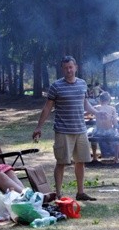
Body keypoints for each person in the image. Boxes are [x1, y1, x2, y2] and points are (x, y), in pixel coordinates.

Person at [32, 56, 100, 201]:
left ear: (76, 67)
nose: (69, 70)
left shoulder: (82, 84)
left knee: (81, 161)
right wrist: (39, 127)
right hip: (63, 130)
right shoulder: (56, 86)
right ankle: (58, 194)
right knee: (62, 162)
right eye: (66, 68)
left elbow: (85, 104)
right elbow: (47, 108)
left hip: (80, 129)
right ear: (62, 69)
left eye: (71, 67)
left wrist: (98, 113)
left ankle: (80, 193)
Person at [89, 92, 119, 164]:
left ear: (100, 100)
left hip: (98, 132)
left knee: (93, 135)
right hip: (109, 131)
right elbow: (115, 123)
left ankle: (94, 157)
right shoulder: (112, 109)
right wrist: (115, 126)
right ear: (109, 100)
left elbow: (90, 115)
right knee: (117, 137)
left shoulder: (96, 107)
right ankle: (116, 158)